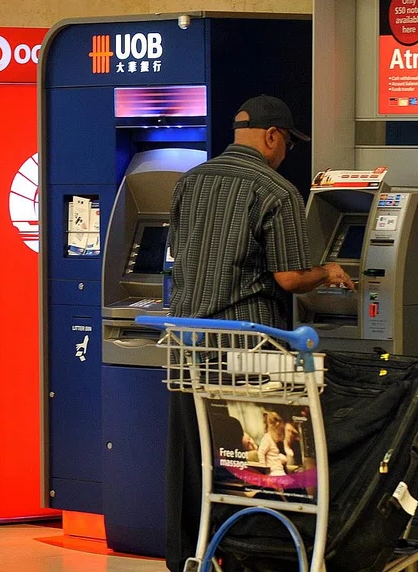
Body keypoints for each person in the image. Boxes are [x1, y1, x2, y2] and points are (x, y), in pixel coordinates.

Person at [165, 94, 355, 571]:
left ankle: (192, 554)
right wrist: (328, 272)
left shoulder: (190, 182)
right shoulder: (276, 191)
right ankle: (252, 555)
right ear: (273, 137)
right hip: (247, 349)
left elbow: (178, 255)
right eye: (288, 142)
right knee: (251, 460)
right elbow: (289, 278)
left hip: (187, 342)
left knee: (198, 457)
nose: (286, 152)